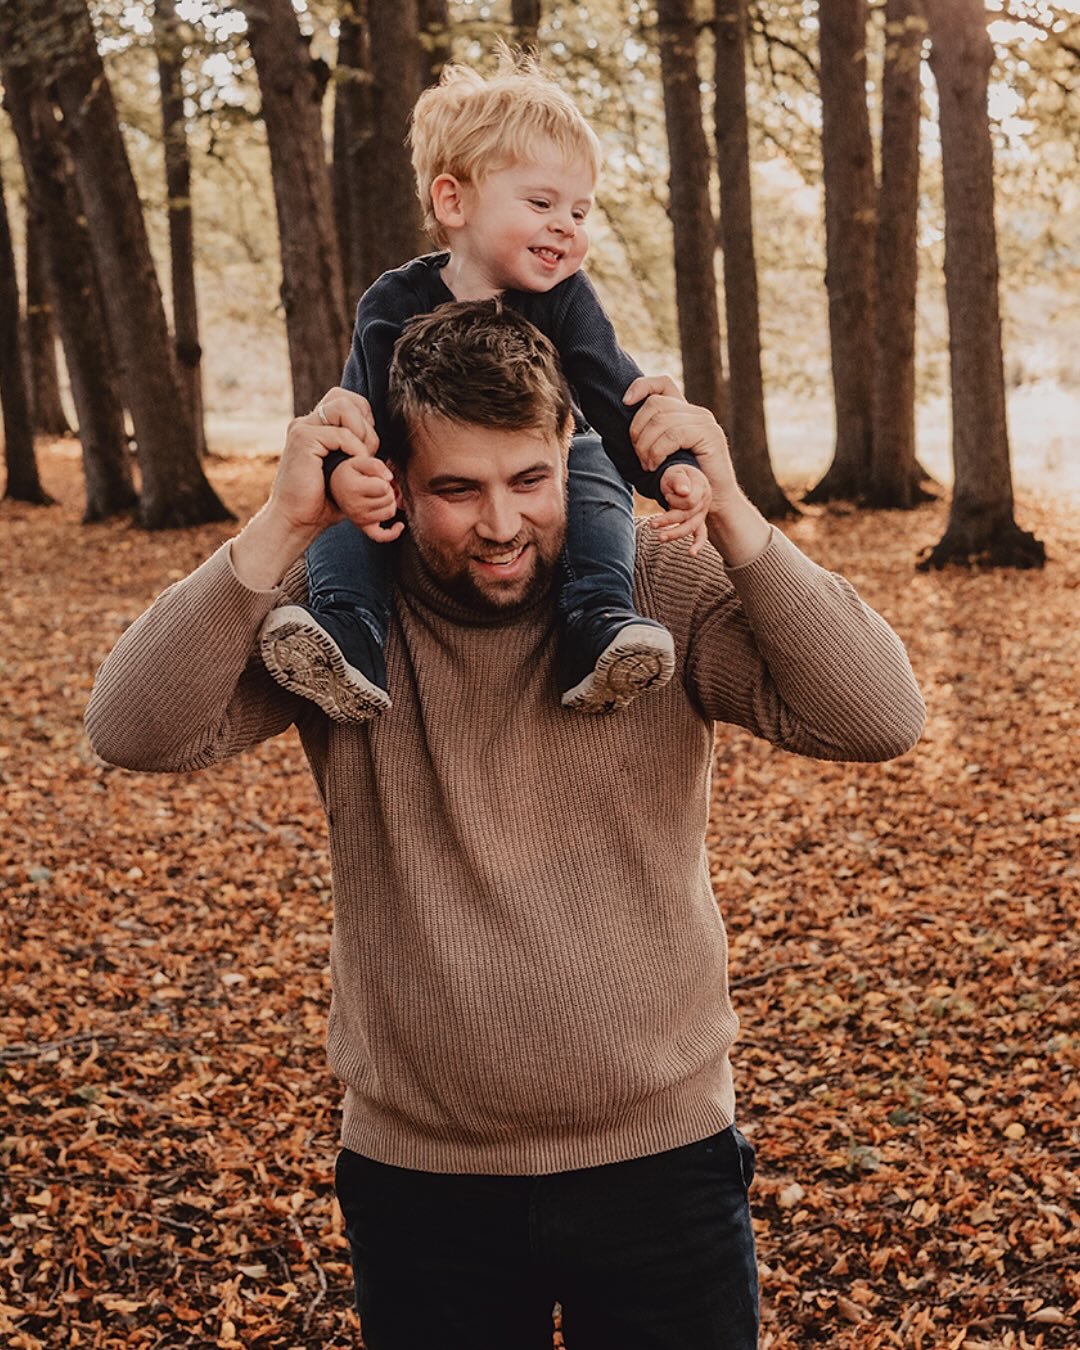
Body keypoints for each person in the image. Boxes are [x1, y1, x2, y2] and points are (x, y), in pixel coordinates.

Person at [85, 303, 925, 1350]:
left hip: (661, 1167)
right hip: (423, 1184)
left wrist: (739, 518)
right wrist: (282, 528)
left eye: (529, 480)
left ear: (570, 454)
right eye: (457, 489)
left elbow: (878, 716)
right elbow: (134, 730)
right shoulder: (338, 624)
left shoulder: (653, 585)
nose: (500, 524)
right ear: (395, 479)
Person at [257, 51, 713, 722]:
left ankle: (598, 623)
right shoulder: (394, 301)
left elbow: (614, 390)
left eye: (580, 212)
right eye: (541, 203)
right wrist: (350, 473)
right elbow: (358, 412)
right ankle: (349, 632)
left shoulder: (565, 299)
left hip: (553, 458)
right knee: (346, 504)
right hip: (419, 472)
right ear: (454, 201)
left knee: (590, 461)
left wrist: (672, 466)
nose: (567, 225)